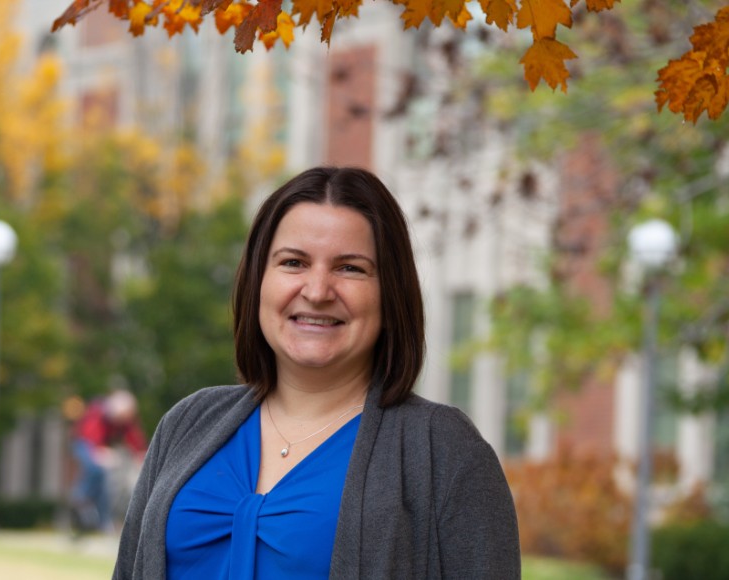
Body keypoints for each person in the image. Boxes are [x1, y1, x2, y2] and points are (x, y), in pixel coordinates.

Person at [113, 167, 520, 579]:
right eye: (293, 262)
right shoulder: (189, 423)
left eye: (350, 268)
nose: (317, 291)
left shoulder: (442, 450)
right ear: (259, 280)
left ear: (390, 293)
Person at [72, 389, 146, 533]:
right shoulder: (97, 414)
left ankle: (103, 520)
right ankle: (81, 499)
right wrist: (102, 454)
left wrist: (140, 454)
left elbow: (135, 440)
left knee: (108, 481)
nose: (123, 420)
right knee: (95, 469)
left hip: (102, 446)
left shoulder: (124, 419)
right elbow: (92, 443)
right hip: (84, 443)